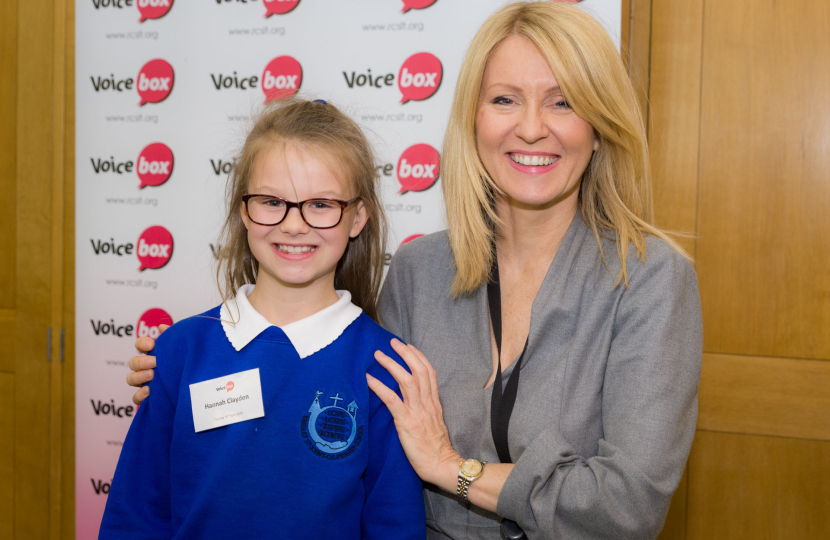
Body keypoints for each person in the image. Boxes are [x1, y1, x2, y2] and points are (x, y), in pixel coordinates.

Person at [127, 3, 702, 539]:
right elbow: (336, 403)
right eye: (504, 100)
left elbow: (628, 505)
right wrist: (182, 365)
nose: (531, 128)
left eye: (563, 101)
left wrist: (455, 469)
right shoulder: (419, 270)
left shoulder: (649, 281)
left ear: (599, 126)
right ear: (472, 120)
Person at [101, 98, 425, 540]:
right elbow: (136, 512)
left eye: (321, 204)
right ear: (243, 210)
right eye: (272, 201)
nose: (293, 225)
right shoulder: (180, 351)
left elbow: (395, 526)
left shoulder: (384, 368)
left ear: (357, 218)